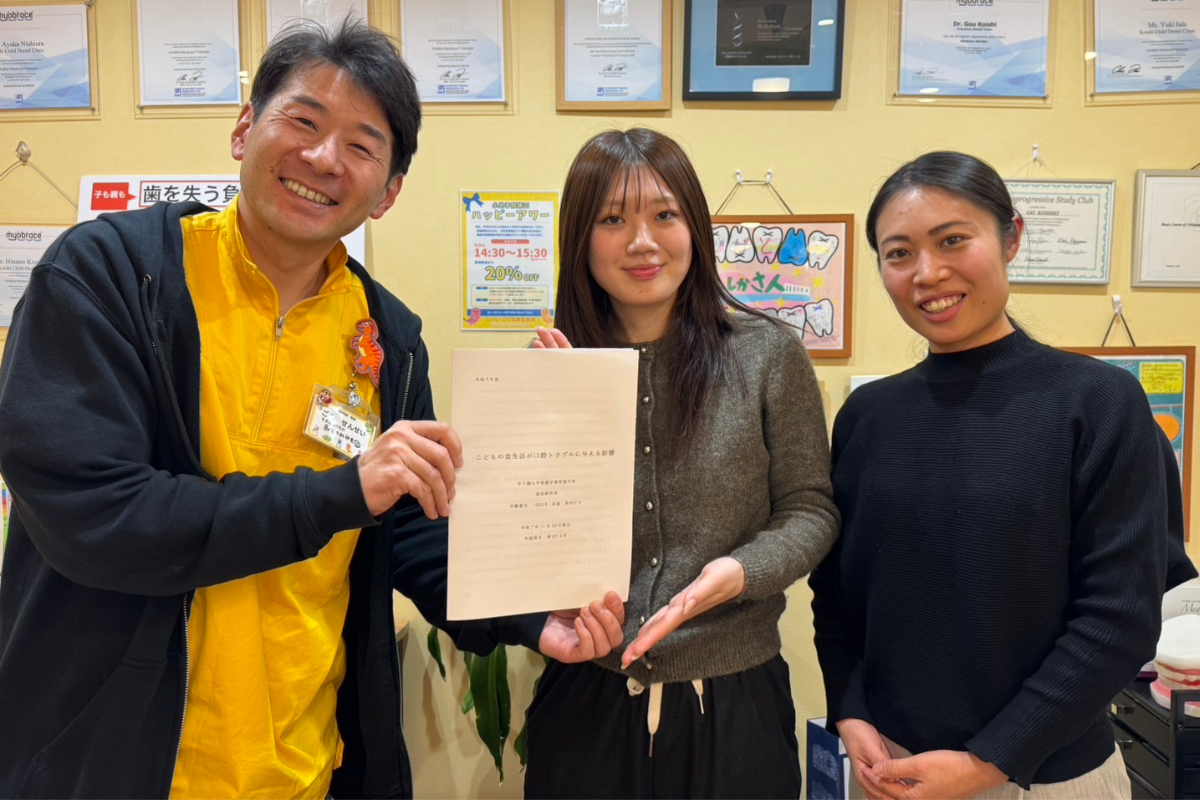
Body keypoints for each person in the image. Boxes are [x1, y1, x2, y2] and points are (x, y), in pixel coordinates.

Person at [0, 19, 622, 800]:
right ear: (243, 128)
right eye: (303, 121)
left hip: (306, 767)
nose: (325, 158)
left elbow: (409, 533)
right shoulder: (113, 277)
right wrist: (341, 492)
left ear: (388, 193)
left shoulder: (388, 339)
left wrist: (530, 614)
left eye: (362, 146)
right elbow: (96, 515)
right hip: (111, 768)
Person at [810, 150, 1198, 800]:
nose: (927, 273)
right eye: (899, 253)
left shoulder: (1099, 403)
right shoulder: (866, 418)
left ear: (1011, 237)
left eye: (952, 240)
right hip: (892, 771)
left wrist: (988, 761)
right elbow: (838, 596)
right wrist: (849, 711)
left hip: (1049, 779)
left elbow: (1120, 616)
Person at [523, 128, 840, 799]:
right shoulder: (552, 366)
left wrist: (741, 572)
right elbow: (525, 527)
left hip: (735, 704)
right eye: (613, 219)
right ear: (580, 238)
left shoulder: (766, 353)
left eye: (664, 215)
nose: (643, 242)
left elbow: (810, 508)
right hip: (587, 698)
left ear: (694, 225)